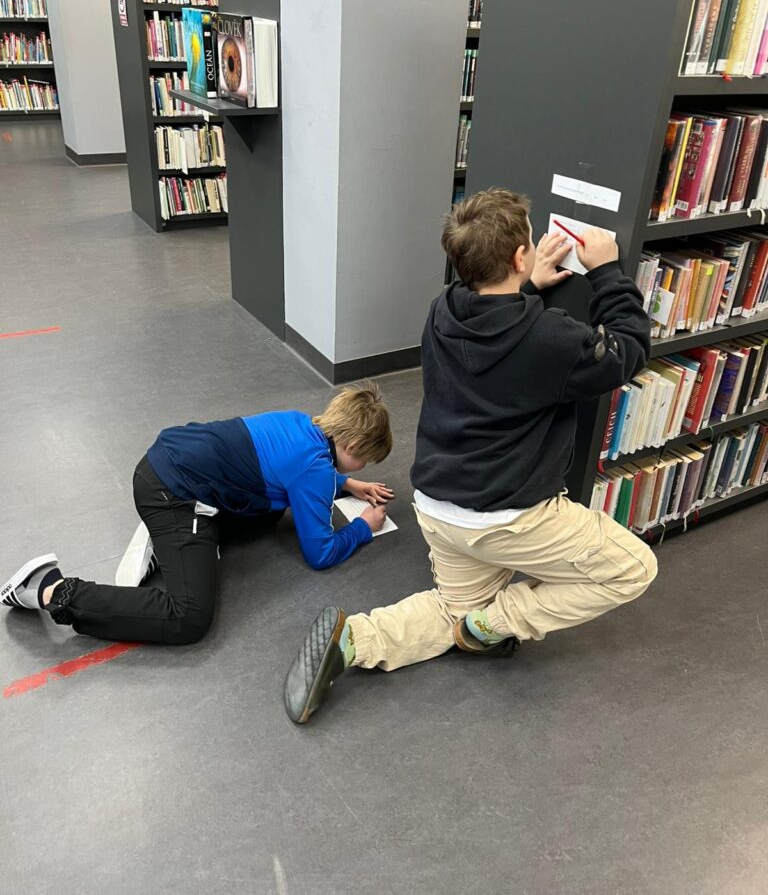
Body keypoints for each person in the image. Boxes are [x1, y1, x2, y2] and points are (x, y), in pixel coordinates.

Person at [283, 188, 658, 724]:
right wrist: (606, 273)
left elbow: (494, 330)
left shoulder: (443, 311)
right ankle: (497, 622)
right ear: (520, 256)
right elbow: (628, 351)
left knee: (451, 610)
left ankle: (354, 640)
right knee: (633, 569)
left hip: (439, 508)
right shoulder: (552, 338)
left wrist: (528, 287)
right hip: (510, 519)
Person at [1, 382, 393, 645]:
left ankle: (172, 543)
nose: (364, 468)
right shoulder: (315, 471)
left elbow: (298, 470)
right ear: (352, 446)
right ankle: (50, 589)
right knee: (189, 617)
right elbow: (320, 553)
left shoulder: (299, 423)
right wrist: (363, 525)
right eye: (365, 460)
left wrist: (346, 484)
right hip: (169, 493)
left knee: (270, 512)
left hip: (169, 463)